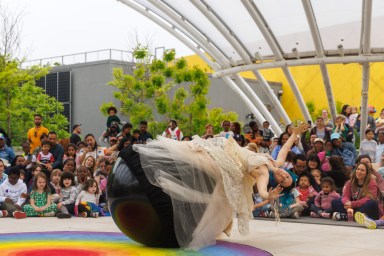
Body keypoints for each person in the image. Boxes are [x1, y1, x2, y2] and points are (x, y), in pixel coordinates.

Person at [131, 123, 307, 249]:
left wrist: (270, 196)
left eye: (283, 181)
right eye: (286, 176)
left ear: (277, 183)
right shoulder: (275, 161)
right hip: (229, 151)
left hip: (229, 162)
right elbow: (285, 149)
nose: (283, 176)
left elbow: (262, 191)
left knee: (197, 158)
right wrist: (295, 134)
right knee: (192, 150)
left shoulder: (263, 173)